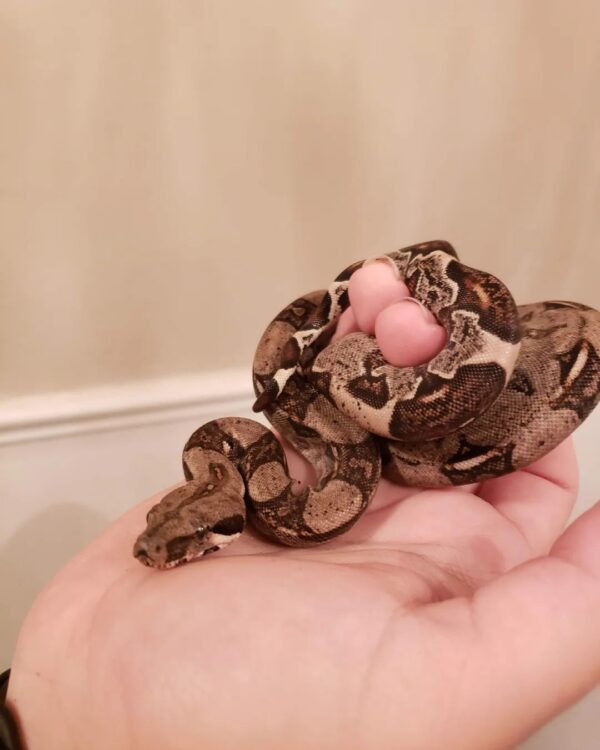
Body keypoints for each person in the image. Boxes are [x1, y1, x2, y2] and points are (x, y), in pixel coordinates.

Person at [6, 262, 600, 749]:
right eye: (179, 535)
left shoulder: (252, 471)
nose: (161, 545)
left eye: (182, 535)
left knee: (396, 318)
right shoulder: (259, 480)